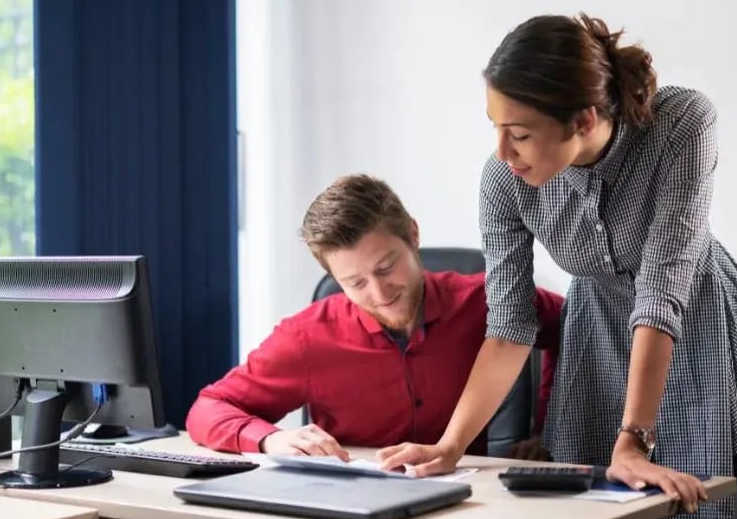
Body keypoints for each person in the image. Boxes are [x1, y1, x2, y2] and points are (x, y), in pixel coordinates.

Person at [376, 14, 737, 519]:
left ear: (584, 119)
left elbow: (664, 285)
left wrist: (634, 439)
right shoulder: (504, 180)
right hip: (595, 335)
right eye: (495, 127)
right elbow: (510, 328)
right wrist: (450, 446)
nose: (501, 151)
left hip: (691, 328)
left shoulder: (680, 123)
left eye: (518, 132)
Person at [186, 174, 564, 458]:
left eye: (386, 267)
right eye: (355, 282)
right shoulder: (306, 337)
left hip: (468, 504)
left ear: (413, 235)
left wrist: (551, 429)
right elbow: (208, 409)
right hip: (356, 515)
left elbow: (575, 327)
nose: (380, 294)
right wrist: (270, 438)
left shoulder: (485, 301)